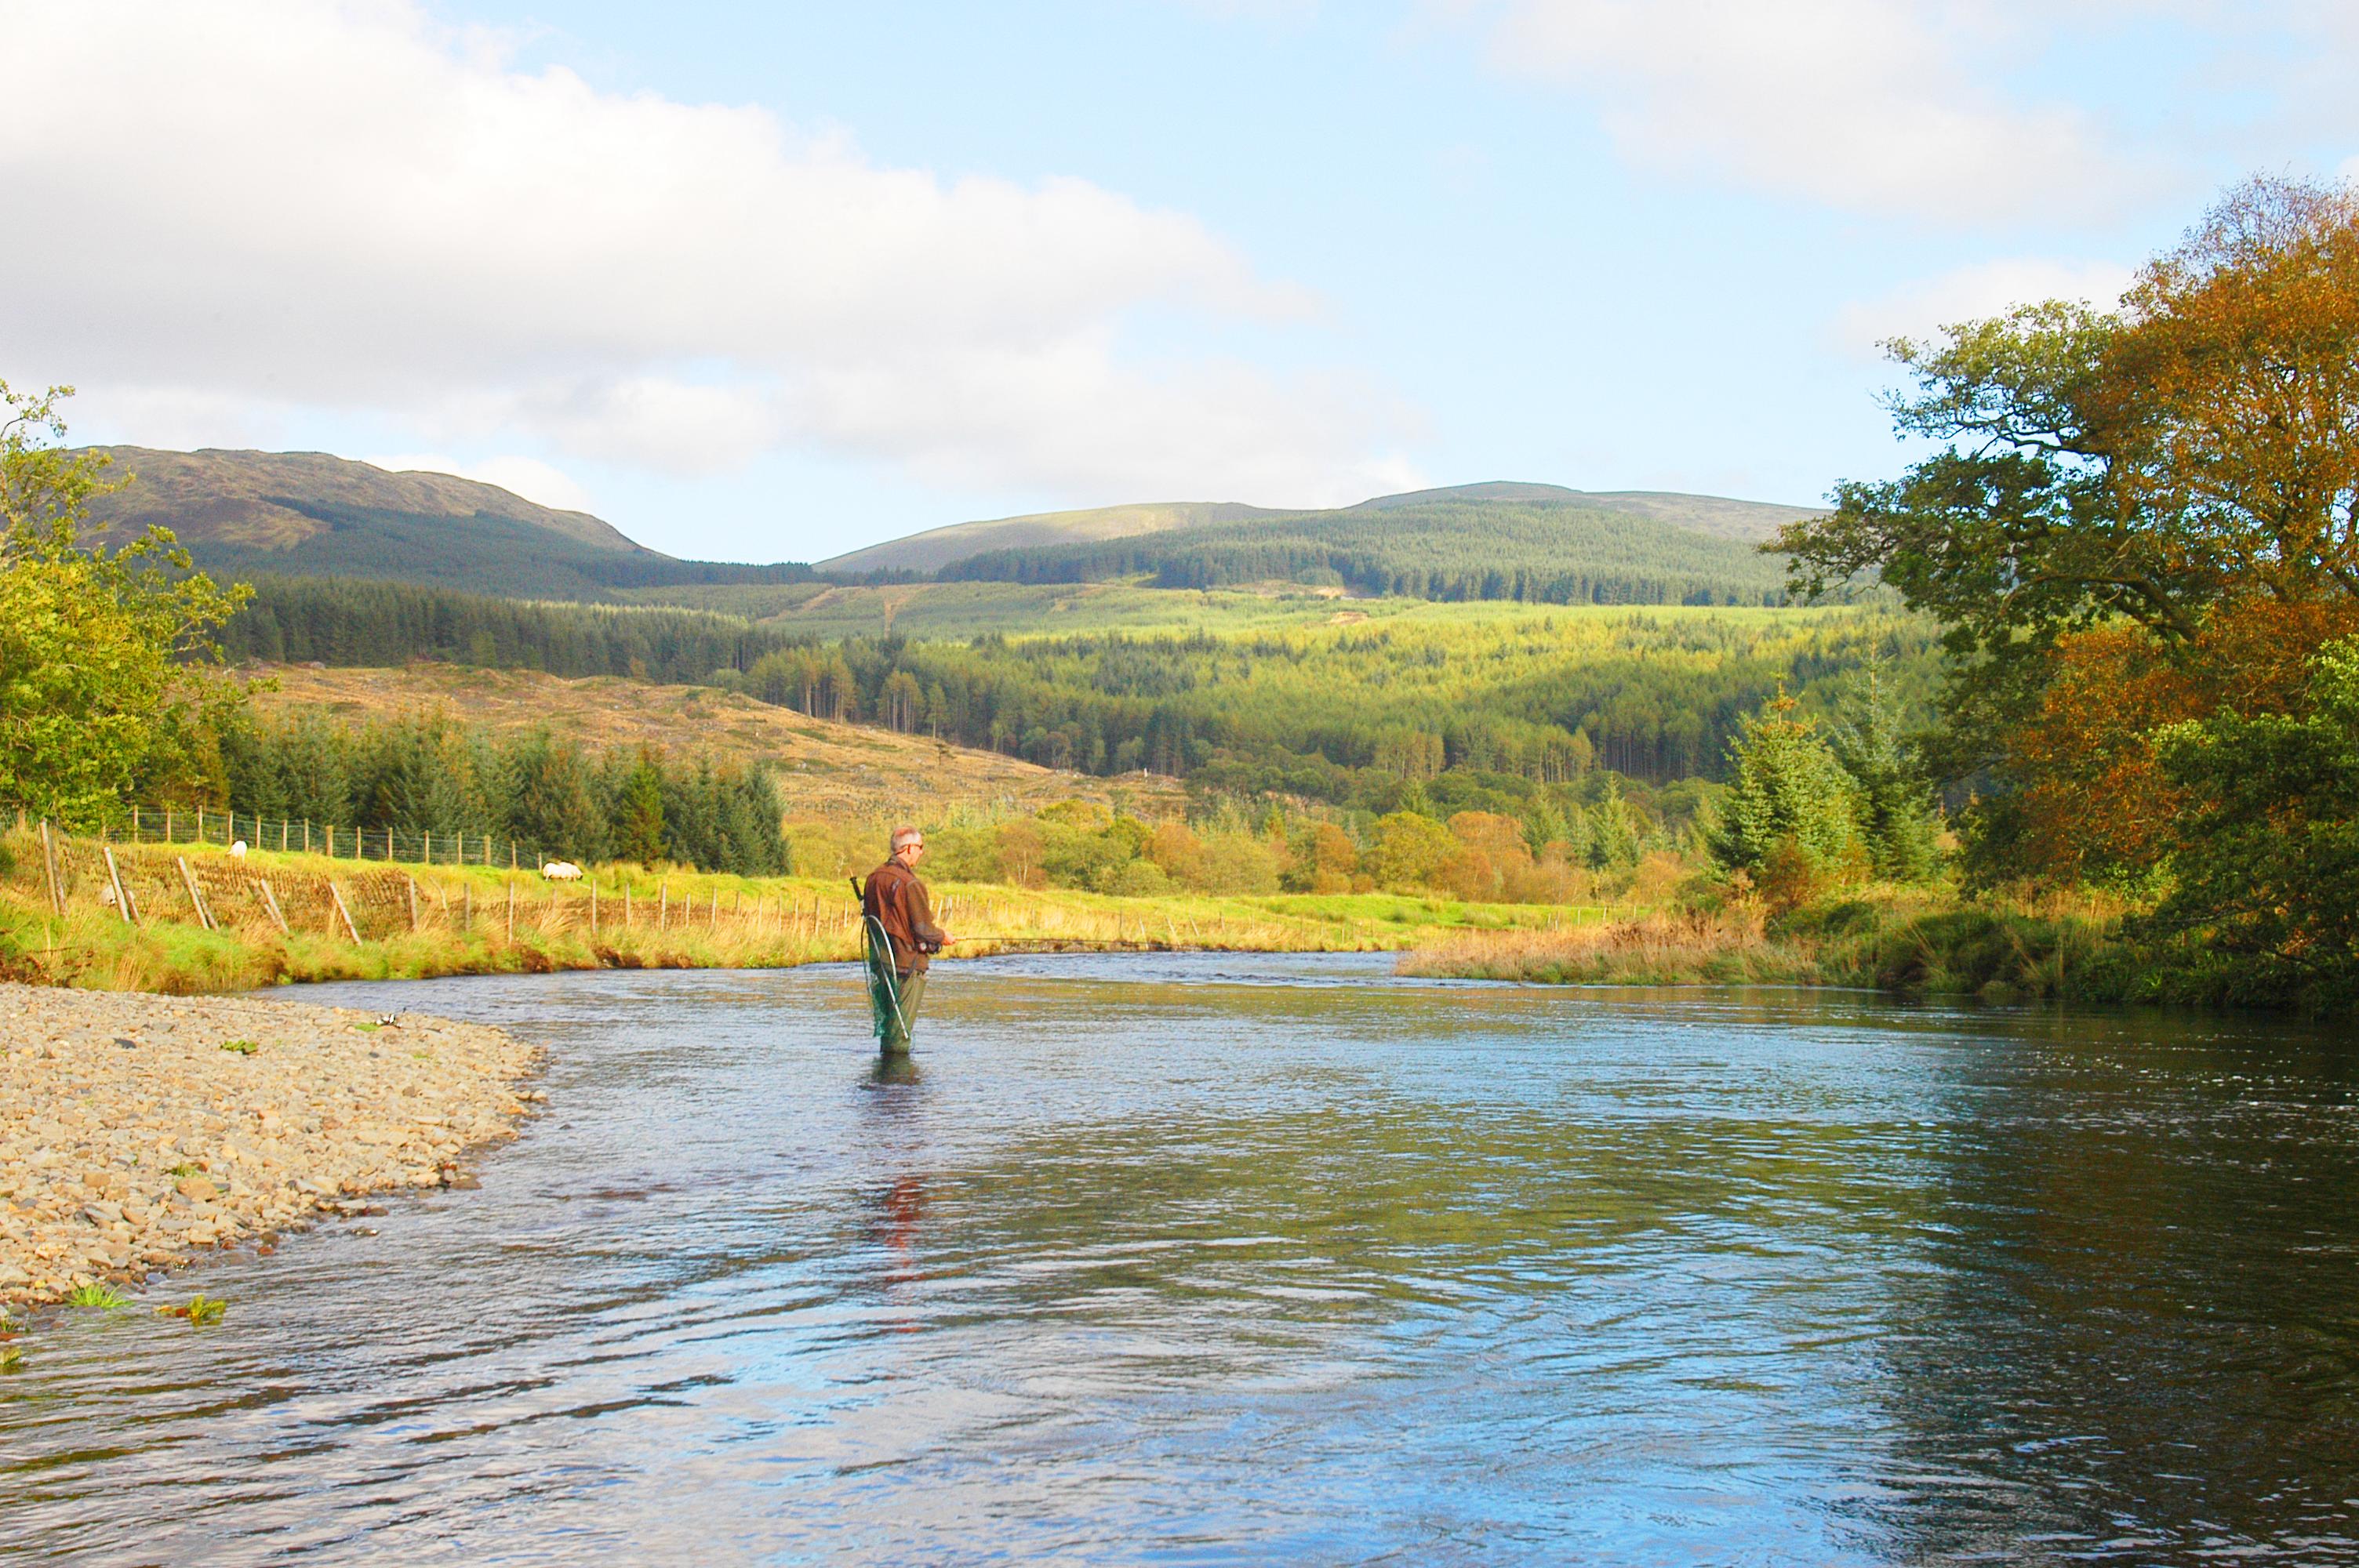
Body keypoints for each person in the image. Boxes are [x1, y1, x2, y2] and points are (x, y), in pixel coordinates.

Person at [861, 826, 950, 1050]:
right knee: (900, 1032)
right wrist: (943, 936)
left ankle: (884, 1081)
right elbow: (923, 930)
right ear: (909, 848)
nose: (921, 852)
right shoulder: (911, 883)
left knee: (889, 1028)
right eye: (920, 848)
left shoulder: (873, 877)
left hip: (880, 961)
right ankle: (898, 1081)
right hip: (906, 963)